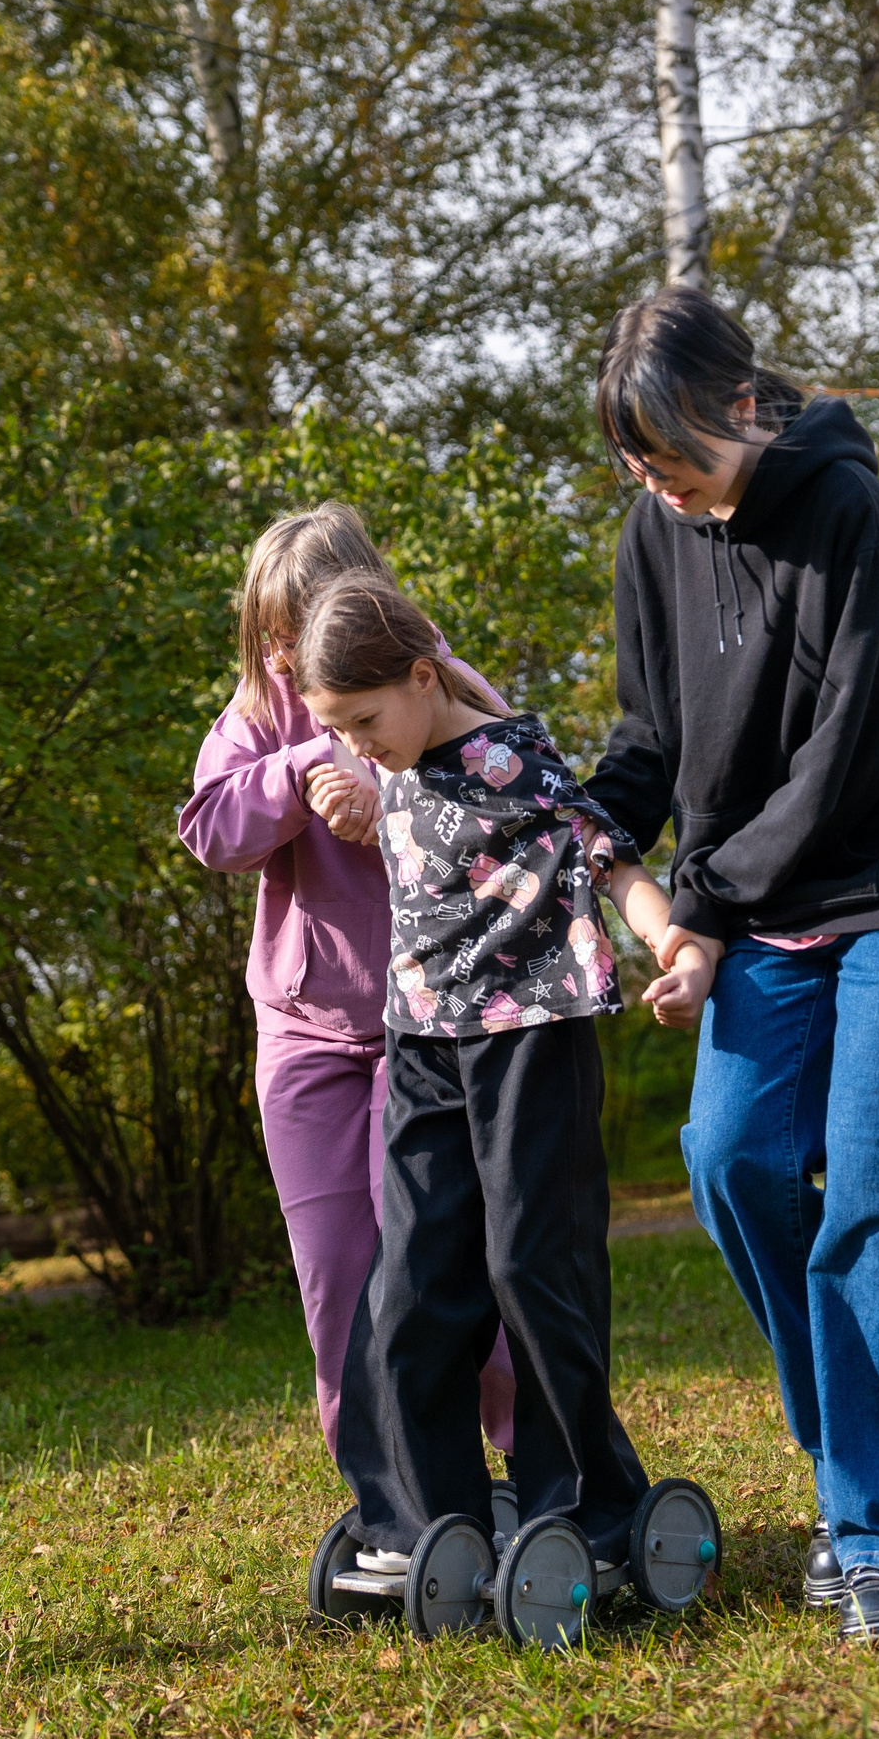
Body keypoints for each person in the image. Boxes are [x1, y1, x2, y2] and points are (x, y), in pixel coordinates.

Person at [581, 289, 879, 1640]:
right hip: (753, 897)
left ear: (744, 409)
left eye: (676, 456)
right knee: (733, 1160)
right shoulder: (655, 534)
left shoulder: (854, 523)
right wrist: (591, 823)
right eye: (635, 466)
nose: (658, 485)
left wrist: (702, 905)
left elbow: (849, 755)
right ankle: (857, 1469)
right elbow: (652, 728)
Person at [289, 573, 701, 1567]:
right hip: (423, 1044)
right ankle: (424, 1520)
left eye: (362, 719)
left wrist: (672, 950)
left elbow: (607, 860)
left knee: (530, 1266)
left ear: (424, 676)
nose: (353, 743)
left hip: (531, 1037)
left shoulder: (515, 759)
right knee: (414, 1275)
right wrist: (356, 784)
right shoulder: (390, 767)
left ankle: (588, 1511)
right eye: (333, 728)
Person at [177, 507, 517, 1462]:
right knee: (334, 1270)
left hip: (429, 1027)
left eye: (297, 630)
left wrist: (396, 805)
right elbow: (209, 831)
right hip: (302, 1027)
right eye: (270, 637)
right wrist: (299, 769)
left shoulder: (439, 685)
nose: (284, 657)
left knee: (440, 1259)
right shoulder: (259, 713)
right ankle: (385, 1486)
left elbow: (515, 822)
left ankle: (533, 1453)